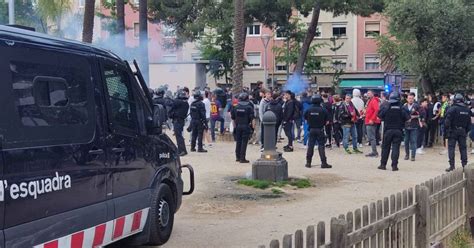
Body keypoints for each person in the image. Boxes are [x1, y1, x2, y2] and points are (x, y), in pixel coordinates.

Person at [378, 92, 410, 171]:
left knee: (385, 148)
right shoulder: (402, 108)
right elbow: (408, 118)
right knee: (396, 148)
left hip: (388, 130)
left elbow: (379, 116)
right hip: (398, 130)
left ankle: (383, 165)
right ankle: (394, 166)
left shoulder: (386, 107)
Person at [304, 94, 332, 169]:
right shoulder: (323, 110)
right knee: (321, 146)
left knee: (310, 146)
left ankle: (308, 162)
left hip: (311, 129)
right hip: (320, 129)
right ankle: (323, 163)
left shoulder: (308, 110)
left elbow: (305, 119)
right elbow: (327, 121)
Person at [445, 93, 471, 172]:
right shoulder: (467, 109)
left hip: (453, 131)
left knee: (451, 148)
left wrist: (447, 131)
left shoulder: (452, 109)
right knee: (463, 148)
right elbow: (469, 123)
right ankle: (464, 166)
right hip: (462, 131)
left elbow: (447, 122)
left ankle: (452, 166)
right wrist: (465, 131)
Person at [231, 92, 255, 163]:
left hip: (238, 126)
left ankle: (237, 157)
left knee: (238, 141)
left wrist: (234, 127)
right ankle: (242, 158)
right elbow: (252, 119)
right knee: (244, 142)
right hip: (246, 126)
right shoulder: (249, 107)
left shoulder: (236, 107)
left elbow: (233, 119)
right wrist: (253, 129)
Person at [169, 89, 189, 156]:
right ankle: (182, 150)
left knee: (178, 136)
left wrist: (171, 115)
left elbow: (171, 110)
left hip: (177, 120)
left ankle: (182, 150)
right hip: (181, 120)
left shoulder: (177, 102)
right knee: (179, 135)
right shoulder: (186, 103)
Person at [402, 93, 420, 161]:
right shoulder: (404, 106)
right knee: (406, 141)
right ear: (407, 99)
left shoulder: (417, 106)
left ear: (414, 99)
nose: (410, 100)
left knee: (413, 141)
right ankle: (407, 155)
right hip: (406, 126)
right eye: (409, 98)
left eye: (412, 98)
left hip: (414, 125)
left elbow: (421, 115)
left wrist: (413, 117)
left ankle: (413, 156)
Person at [365, 90, 381, 157]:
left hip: (371, 121)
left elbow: (376, 110)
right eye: (367, 93)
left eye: (369, 93)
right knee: (371, 137)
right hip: (369, 120)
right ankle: (374, 151)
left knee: (371, 137)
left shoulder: (373, 100)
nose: (367, 94)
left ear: (372, 94)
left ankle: (374, 152)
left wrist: (372, 119)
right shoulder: (371, 100)